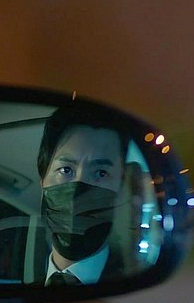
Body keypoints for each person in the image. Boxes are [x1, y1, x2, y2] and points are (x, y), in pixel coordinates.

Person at [37, 106, 129, 286]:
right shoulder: (28, 293)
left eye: (101, 173)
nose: (77, 193)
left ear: (122, 191)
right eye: (66, 170)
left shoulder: (137, 285)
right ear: (42, 183)